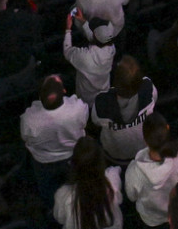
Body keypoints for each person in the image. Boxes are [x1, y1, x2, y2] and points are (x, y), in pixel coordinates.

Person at [21, 75, 91, 207]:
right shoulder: (77, 108)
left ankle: (52, 209)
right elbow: (84, 122)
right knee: (76, 184)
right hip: (72, 156)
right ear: (64, 91)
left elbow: (25, 137)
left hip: (43, 161)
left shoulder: (29, 119)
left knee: (48, 190)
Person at [125, 115, 178, 229]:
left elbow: (132, 196)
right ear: (167, 128)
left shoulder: (134, 171)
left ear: (145, 141)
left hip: (153, 218)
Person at [56, 136, 125, 229]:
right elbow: (119, 199)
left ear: (74, 165)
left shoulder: (63, 194)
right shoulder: (112, 181)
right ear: (101, 162)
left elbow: (60, 218)